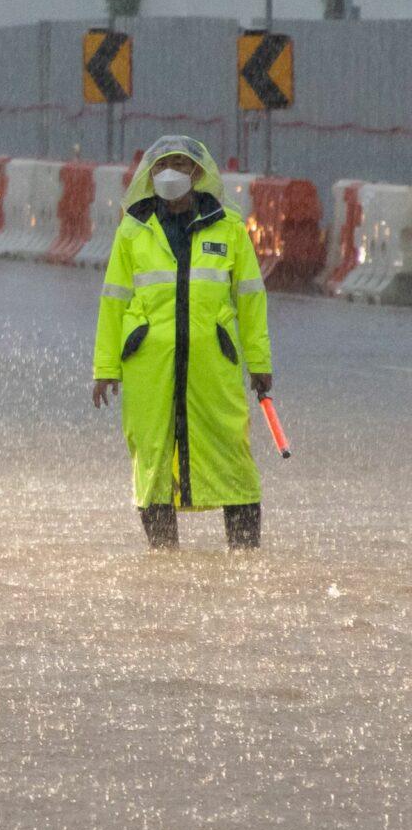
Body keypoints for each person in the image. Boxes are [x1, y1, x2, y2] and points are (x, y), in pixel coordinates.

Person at [93, 135, 272, 550]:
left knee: (232, 456)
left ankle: (246, 558)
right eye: (161, 166)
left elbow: (250, 299)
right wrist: (105, 369)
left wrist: (259, 362)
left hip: (214, 367)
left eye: (180, 165)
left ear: (197, 173)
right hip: (148, 370)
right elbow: (113, 302)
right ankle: (164, 562)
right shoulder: (133, 232)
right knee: (153, 459)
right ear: (149, 175)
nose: (170, 174)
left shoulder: (229, 228)